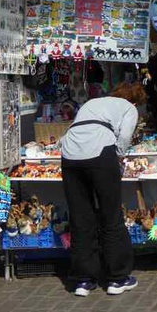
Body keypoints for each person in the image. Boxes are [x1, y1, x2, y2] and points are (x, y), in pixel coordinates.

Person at [61, 82, 146, 297]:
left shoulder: (93, 102)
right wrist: (117, 154)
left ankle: (83, 279)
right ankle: (117, 278)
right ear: (135, 100)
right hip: (100, 152)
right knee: (111, 215)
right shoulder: (129, 108)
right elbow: (124, 138)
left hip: (70, 153)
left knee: (80, 217)